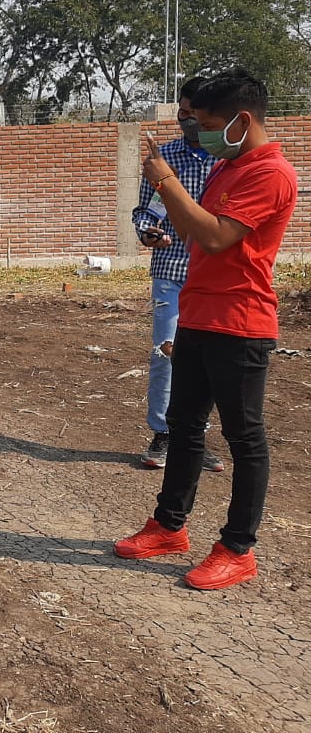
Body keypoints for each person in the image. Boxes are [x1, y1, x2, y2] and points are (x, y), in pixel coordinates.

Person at [115, 68, 297, 590]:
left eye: (209, 123)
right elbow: (190, 224)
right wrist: (161, 200)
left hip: (240, 322)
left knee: (244, 438)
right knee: (183, 426)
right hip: (197, 311)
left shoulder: (270, 173)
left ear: (242, 120)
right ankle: (170, 526)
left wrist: (166, 181)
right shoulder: (227, 164)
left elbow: (216, 236)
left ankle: (238, 548)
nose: (201, 132)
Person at [131, 78, 223, 472]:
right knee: (166, 355)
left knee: (210, 361)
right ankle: (163, 432)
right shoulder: (163, 158)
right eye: (183, 113)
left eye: (194, 114)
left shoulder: (229, 162)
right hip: (171, 271)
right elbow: (145, 210)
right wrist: (147, 232)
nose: (187, 120)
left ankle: (195, 437)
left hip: (217, 277)